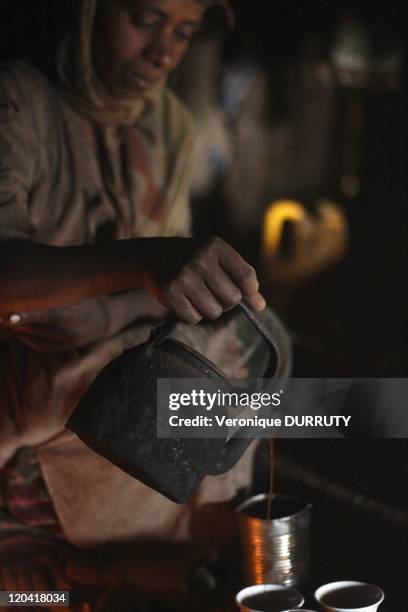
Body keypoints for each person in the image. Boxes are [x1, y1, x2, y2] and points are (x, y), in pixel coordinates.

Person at [0, 0, 265, 603]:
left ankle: (166, 564)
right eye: (145, 20)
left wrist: (112, 312)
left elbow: (164, 305)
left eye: (182, 32)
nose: (163, 51)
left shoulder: (169, 127)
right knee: (37, 591)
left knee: (234, 353)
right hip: (26, 401)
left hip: (111, 373)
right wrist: (141, 262)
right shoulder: (18, 103)